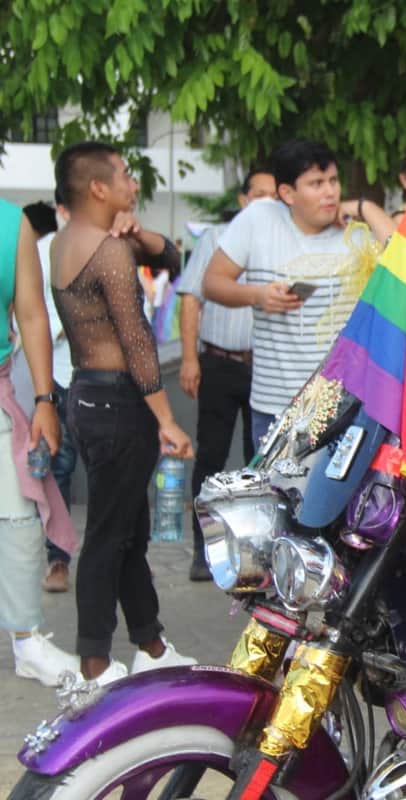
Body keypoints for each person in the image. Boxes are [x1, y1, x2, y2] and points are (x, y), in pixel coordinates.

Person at [50, 141, 196, 684]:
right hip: (118, 404)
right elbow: (137, 343)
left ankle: (152, 646)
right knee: (111, 535)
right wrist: (167, 419)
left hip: (85, 394)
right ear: (98, 187)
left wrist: (139, 234)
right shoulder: (108, 255)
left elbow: (173, 258)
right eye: (126, 176)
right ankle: (94, 663)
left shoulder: (67, 243)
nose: (133, 185)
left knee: (129, 528)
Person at [203, 140, 395, 444]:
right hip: (275, 407)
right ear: (287, 193)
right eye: (316, 184)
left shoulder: (353, 230)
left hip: (343, 406)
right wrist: (258, 295)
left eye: (333, 180)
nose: (330, 192)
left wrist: (364, 207)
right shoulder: (259, 219)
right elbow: (212, 282)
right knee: (274, 493)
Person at [176, 168, 277, 581]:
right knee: (212, 458)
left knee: (266, 462)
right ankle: (204, 549)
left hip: (267, 366)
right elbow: (190, 299)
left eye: (274, 196)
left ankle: (266, 555)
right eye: (259, 195)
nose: (266, 203)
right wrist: (188, 358)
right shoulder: (217, 239)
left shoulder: (282, 242)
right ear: (243, 200)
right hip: (218, 362)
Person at [0, 197, 81, 687]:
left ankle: (27, 640)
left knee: (19, 518)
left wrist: (46, 401)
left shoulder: (12, 224)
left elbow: (31, 315)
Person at [16, 200, 77, 593]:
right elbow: (30, 313)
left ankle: (128, 556)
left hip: (102, 377)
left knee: (115, 470)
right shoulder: (39, 249)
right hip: (52, 375)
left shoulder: (110, 246)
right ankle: (58, 558)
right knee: (58, 465)